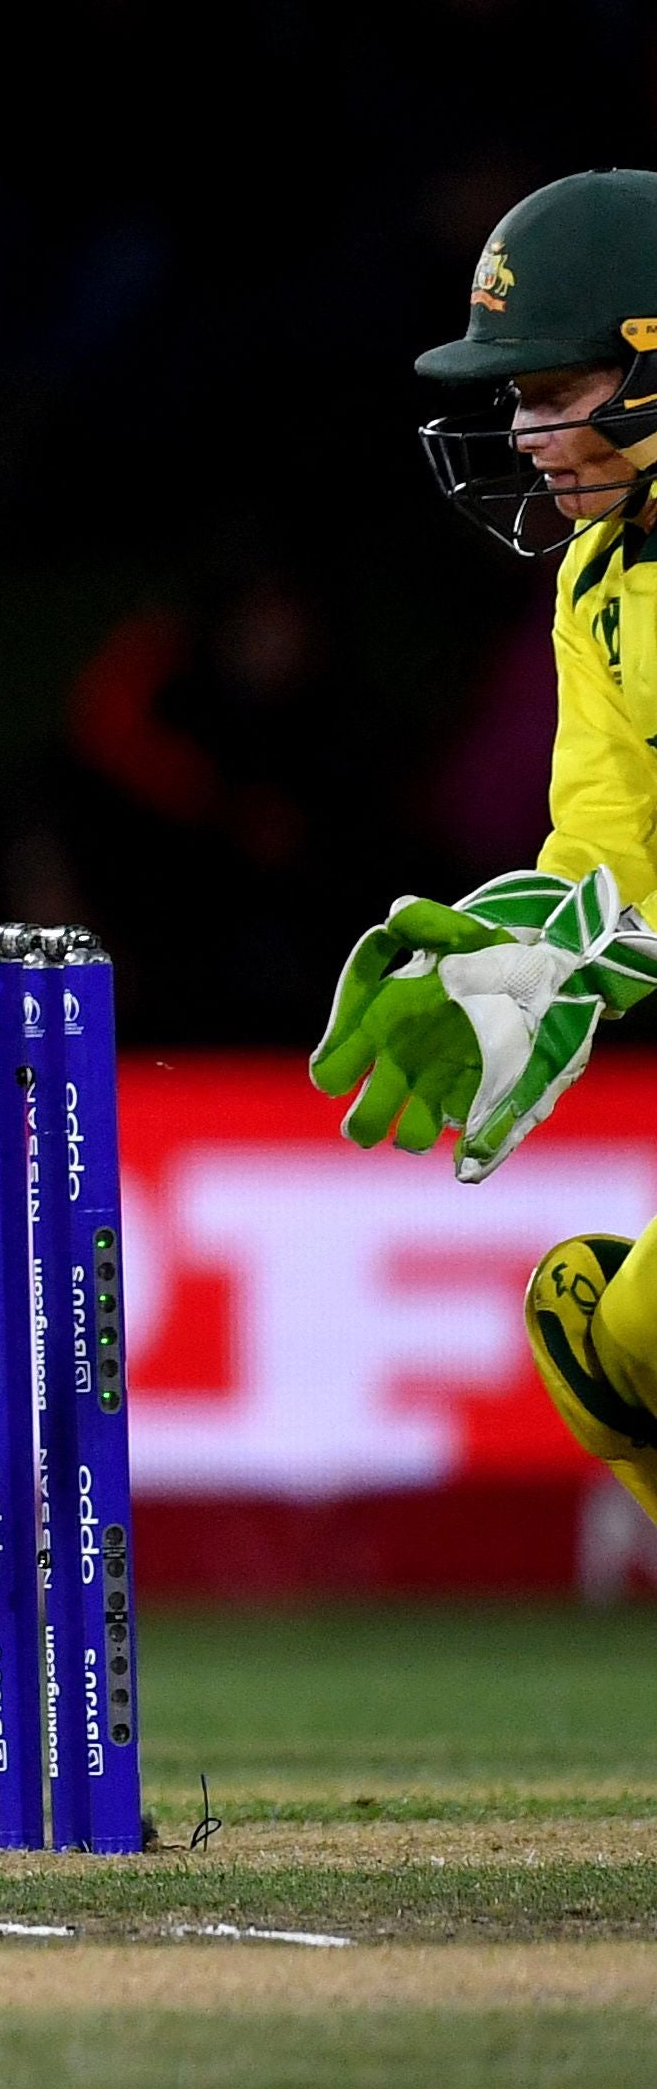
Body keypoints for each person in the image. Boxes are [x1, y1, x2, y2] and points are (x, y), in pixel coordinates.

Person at [305, 169, 657, 1518]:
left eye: (550, 392)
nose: (521, 434)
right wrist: (525, 961)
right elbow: (615, 858)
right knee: (599, 1339)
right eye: (509, 399)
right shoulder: (598, 581)